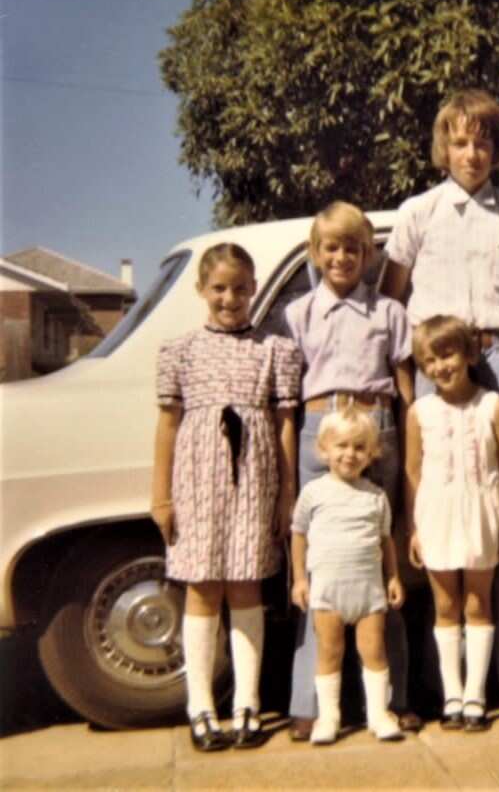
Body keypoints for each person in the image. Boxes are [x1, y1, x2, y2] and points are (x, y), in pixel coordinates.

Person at [382, 88, 499, 731]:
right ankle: (445, 690)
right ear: (443, 148)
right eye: (460, 141)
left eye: (483, 140)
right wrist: (412, 387)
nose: (472, 152)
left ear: (498, 148)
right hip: (438, 371)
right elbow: (391, 306)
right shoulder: (418, 212)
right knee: (435, 522)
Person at [151, 242, 301, 752]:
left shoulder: (273, 350)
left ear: (255, 288)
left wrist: (286, 494)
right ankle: (200, 707)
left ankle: (248, 704)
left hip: (254, 483)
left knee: (246, 588)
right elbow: (168, 426)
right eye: (219, 288)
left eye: (240, 288)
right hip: (197, 483)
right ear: (201, 291)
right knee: (202, 589)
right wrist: (161, 496)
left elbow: (284, 426)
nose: (230, 298)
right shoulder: (181, 351)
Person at [284, 200, 419, 740]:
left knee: (378, 554)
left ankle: (395, 697)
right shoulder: (298, 314)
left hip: (377, 425)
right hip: (320, 426)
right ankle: (309, 701)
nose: (342, 257)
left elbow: (406, 387)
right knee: (322, 564)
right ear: (315, 255)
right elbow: (286, 400)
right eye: (331, 248)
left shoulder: (389, 312)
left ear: (368, 255)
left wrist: (411, 449)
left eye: (353, 248)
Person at [406, 316, 499, 731]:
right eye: (429, 361)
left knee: (477, 603)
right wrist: (415, 529)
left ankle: (476, 695)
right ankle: (451, 695)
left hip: (481, 513)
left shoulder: (493, 406)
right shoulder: (420, 412)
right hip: (436, 514)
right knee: (446, 605)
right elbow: (413, 472)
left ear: (470, 353)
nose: (440, 367)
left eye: (447, 354)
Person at [290, 408, 406, 743]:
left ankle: (379, 714)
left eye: (359, 448)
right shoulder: (313, 493)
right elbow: (298, 535)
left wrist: (394, 578)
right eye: (341, 445)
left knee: (374, 651)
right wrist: (300, 579)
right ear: (324, 449)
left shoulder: (375, 496)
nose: (350, 454)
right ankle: (328, 718)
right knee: (329, 652)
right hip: (327, 590)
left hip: (368, 592)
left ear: (371, 454)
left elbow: (385, 542)